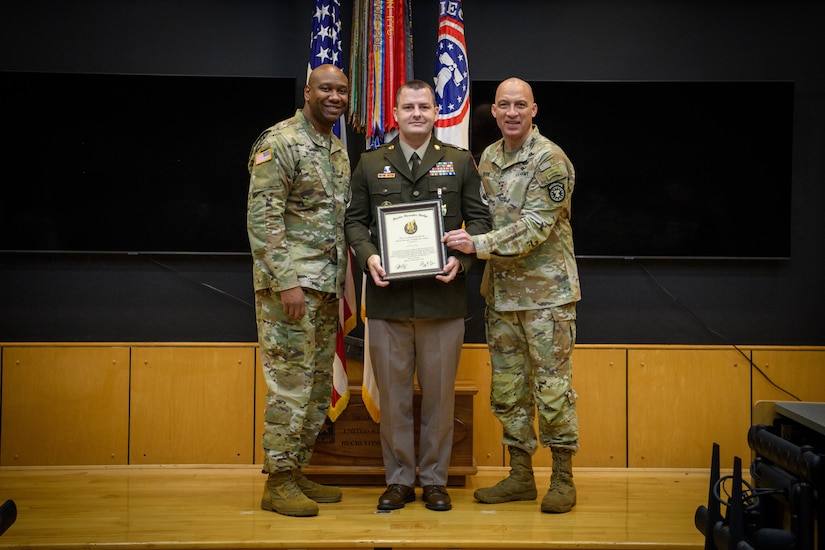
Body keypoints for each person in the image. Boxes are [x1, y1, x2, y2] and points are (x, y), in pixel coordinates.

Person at [345, 80, 491, 512]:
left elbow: (481, 222)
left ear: (435, 111)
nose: (416, 113)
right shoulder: (371, 164)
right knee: (393, 401)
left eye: (424, 106)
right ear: (395, 111)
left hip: (441, 302)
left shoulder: (459, 162)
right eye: (408, 106)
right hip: (388, 303)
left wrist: (461, 261)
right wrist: (370, 257)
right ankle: (399, 480)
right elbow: (354, 221)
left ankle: (435, 480)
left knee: (439, 401)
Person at [443, 77, 581, 514]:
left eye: (521, 104)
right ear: (496, 111)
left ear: (534, 110)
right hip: (501, 295)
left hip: (546, 298)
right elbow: (483, 215)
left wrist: (476, 246)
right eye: (504, 105)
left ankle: (562, 478)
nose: (512, 112)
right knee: (508, 390)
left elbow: (537, 227)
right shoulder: (488, 157)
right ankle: (521, 476)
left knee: (552, 389)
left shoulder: (549, 160)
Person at [246, 64, 351, 517]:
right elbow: (263, 220)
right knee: (289, 385)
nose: (335, 96)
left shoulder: (337, 150)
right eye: (326, 88)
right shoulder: (280, 142)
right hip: (290, 288)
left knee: (315, 385)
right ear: (308, 91)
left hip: (326, 287)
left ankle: (297, 469)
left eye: (342, 90)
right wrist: (286, 282)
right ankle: (278, 482)